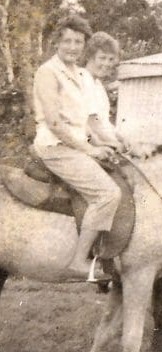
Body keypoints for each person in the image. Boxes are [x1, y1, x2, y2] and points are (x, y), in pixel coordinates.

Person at [32, 16, 120, 282]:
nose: (72, 46)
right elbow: (55, 122)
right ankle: (79, 261)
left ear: (84, 45)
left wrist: (107, 143)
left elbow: (87, 121)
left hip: (75, 145)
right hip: (55, 146)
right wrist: (89, 150)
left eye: (78, 41)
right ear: (57, 41)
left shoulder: (79, 75)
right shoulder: (48, 72)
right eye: (67, 40)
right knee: (108, 194)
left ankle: (108, 252)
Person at [82, 32, 134, 154]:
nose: (107, 64)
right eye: (102, 58)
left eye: (111, 59)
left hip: (100, 144)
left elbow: (103, 122)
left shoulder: (98, 85)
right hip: (87, 144)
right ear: (90, 57)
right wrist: (114, 143)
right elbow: (92, 123)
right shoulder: (82, 79)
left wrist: (121, 138)